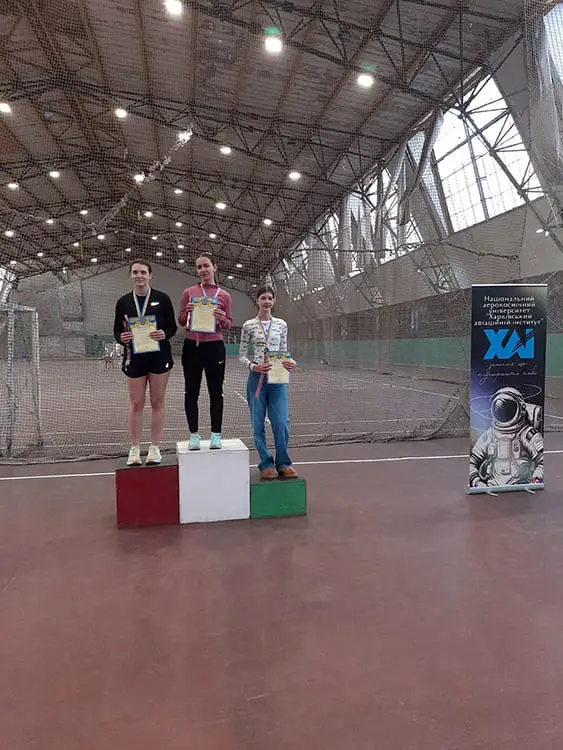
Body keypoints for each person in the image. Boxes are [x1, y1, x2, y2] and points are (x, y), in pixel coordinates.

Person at [113, 260, 177, 466]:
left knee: (157, 402)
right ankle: (134, 448)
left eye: (143, 272)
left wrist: (164, 334)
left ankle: (155, 447)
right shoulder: (123, 302)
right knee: (135, 403)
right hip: (135, 359)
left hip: (159, 357)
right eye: (135, 272)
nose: (139, 275)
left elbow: (172, 327)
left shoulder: (162, 299)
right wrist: (121, 338)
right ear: (131, 275)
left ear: (150, 275)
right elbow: (117, 330)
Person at [239, 285, 298, 480]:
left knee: (281, 422)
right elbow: (242, 355)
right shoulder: (248, 325)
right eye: (263, 298)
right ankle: (265, 462)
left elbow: (284, 351)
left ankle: (283, 463)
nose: (266, 301)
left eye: (269, 298)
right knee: (257, 424)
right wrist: (253, 366)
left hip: (277, 378)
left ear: (274, 301)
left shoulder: (281, 324)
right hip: (256, 379)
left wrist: (291, 362)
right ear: (257, 301)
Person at [178, 254, 232, 450]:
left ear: (214, 267)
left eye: (206, 266)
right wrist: (187, 312)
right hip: (192, 347)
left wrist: (222, 317)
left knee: (216, 392)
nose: (203, 270)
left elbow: (228, 324)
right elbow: (181, 321)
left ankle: (216, 434)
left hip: (215, 347)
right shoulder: (188, 293)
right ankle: (194, 435)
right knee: (191, 391)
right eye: (199, 267)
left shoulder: (224, 295)